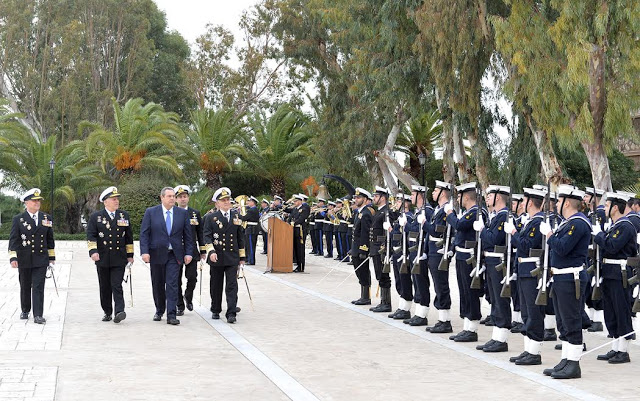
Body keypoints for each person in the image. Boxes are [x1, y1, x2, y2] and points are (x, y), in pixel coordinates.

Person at [541, 185, 590, 379]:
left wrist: (549, 236)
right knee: (563, 321)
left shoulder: (578, 223)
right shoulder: (568, 223)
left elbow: (562, 248)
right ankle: (566, 360)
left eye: (559, 201)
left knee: (571, 320)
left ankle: (574, 364)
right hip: (562, 277)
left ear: (567, 202)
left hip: (571, 278)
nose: (556, 205)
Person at [593, 192, 636, 364]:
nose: (603, 208)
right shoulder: (614, 225)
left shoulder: (626, 226)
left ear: (615, 208)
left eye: (606, 205)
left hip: (620, 274)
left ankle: (623, 351)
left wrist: (599, 235)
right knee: (611, 312)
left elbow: (612, 246)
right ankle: (616, 346)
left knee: (621, 311)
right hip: (609, 273)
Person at [505, 187, 546, 365]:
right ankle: (528, 349)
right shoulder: (531, 222)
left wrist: (513, 233)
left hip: (532, 271)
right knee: (526, 312)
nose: (522, 203)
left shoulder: (538, 222)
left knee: (533, 312)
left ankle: (534, 352)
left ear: (531, 202)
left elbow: (526, 246)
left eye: (524, 200)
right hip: (524, 270)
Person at [140, 187, 193, 325]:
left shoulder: (181, 213)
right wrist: (144, 252)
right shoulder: (151, 212)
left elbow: (188, 236)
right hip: (156, 253)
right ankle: (159, 310)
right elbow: (144, 234)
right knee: (158, 283)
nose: (172, 198)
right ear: (162, 197)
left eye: (173, 196)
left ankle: (171, 314)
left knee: (172, 284)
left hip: (174, 255)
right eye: (169, 196)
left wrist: (188, 253)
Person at [86, 186, 133, 323]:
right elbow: (91, 236)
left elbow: (129, 238)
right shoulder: (96, 217)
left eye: (117, 199)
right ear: (105, 201)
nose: (116, 201)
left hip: (119, 257)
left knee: (116, 284)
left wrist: (130, 255)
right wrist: (93, 252)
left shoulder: (124, 216)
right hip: (103, 257)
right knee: (105, 286)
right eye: (113, 199)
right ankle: (107, 311)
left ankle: (120, 310)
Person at [447, 182, 487, 342]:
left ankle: (472, 328)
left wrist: (450, 214)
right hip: (462, 256)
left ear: (467, 196)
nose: (458, 198)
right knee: (464, 291)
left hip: (470, 258)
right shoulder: (469, 212)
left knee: (471, 292)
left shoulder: (477, 212)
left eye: (459, 195)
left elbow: (460, 225)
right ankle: (467, 326)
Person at [8, 188, 55, 324]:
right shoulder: (18, 219)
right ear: (26, 203)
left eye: (38, 200)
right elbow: (14, 240)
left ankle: (38, 315)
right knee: (25, 285)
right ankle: (25, 309)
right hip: (24, 258)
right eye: (34, 201)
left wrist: (51, 258)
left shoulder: (46, 218)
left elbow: (50, 239)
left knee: (39, 286)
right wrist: (13, 257)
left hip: (41, 258)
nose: (37, 203)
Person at [476, 185, 512, 353]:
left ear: (498, 197)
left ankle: (502, 338)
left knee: (500, 300)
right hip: (491, 262)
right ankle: (496, 336)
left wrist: (483, 229)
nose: (487, 198)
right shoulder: (496, 216)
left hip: (499, 262)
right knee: (495, 300)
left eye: (490, 195)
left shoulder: (504, 216)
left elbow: (493, 239)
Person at [203, 187, 245, 323]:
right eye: (223, 200)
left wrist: (242, 257)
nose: (227, 202)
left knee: (232, 285)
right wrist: (211, 251)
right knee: (216, 284)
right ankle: (215, 309)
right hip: (217, 256)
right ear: (217, 203)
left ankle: (231, 312)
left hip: (232, 256)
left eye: (228, 200)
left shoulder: (236, 217)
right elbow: (207, 237)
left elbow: (240, 238)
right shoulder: (210, 218)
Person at [426, 180, 454, 333]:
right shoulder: (438, 210)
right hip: (432, 251)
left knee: (441, 286)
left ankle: (445, 321)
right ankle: (442, 319)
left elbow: (436, 231)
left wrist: (424, 223)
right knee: (437, 286)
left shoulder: (446, 210)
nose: (433, 193)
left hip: (439, 251)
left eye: (436, 190)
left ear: (443, 193)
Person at [174, 185, 206, 315]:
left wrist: (203, 251)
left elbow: (200, 233)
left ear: (188, 198)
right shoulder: (173, 213)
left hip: (192, 251)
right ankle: (179, 305)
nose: (183, 199)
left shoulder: (195, 213)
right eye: (180, 197)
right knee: (176, 279)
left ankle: (188, 296)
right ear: (176, 199)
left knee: (192, 277)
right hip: (176, 251)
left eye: (185, 196)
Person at [369, 187, 394, 313]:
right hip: (375, 247)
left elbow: (387, 232)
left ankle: (386, 303)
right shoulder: (379, 211)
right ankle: (383, 301)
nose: (374, 198)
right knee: (379, 274)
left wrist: (385, 247)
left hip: (381, 248)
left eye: (376, 196)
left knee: (384, 275)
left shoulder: (386, 212)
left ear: (382, 198)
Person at [351, 188, 375, 305]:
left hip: (362, 248)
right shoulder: (359, 212)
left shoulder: (366, 213)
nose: (356, 199)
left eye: (359, 197)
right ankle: (363, 295)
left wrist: (363, 249)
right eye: (355, 197)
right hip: (356, 247)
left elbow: (366, 233)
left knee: (363, 272)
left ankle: (366, 297)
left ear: (365, 199)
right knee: (358, 271)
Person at [285, 194, 311, 272]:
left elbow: (301, 219)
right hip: (293, 230)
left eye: (296, 201)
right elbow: (285, 210)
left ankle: (301, 266)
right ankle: (297, 265)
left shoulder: (305, 208)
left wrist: (293, 223)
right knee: (295, 248)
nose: (294, 202)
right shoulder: (295, 209)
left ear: (300, 201)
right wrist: (287, 202)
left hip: (300, 230)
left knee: (300, 249)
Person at [241, 196, 260, 265]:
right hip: (251, 228)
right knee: (248, 245)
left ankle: (251, 260)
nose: (248, 203)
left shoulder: (252, 210)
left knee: (251, 246)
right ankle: (248, 259)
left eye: (249, 201)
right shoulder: (253, 209)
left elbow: (245, 218)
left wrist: (238, 215)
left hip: (251, 229)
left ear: (253, 202)